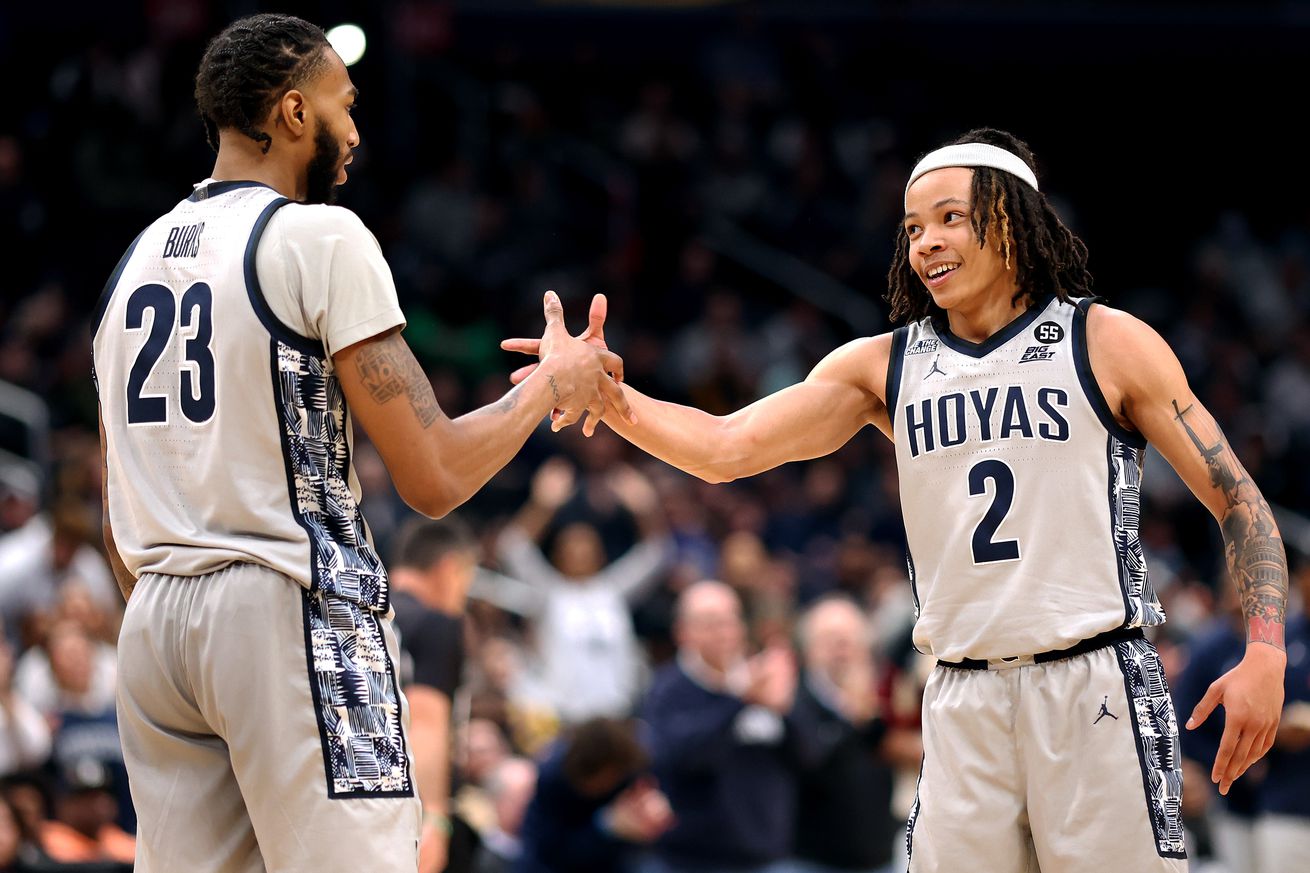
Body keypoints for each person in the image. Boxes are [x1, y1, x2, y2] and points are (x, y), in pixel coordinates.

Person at [505, 128, 1288, 871]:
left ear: (1011, 223)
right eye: (914, 227)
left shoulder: (1105, 340)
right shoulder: (884, 366)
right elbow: (725, 447)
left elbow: (1241, 501)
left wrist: (1266, 646)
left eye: (951, 219)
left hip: (1095, 682)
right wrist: (613, 400)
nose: (926, 243)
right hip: (959, 693)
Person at [91, 13, 629, 873]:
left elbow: (114, 506)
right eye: (346, 104)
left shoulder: (133, 262)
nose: (356, 132)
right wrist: (549, 390)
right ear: (296, 112)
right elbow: (436, 472)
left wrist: (187, 602)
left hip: (154, 623)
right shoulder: (319, 236)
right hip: (285, 605)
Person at [639, 580, 809, 873]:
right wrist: (740, 702)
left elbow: (808, 757)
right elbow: (678, 757)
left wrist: (785, 710)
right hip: (690, 860)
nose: (723, 632)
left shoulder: (764, 677)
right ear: (682, 632)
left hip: (767, 856)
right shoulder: (666, 690)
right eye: (710, 623)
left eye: (730, 620)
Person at [492, 458, 672, 722]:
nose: (580, 554)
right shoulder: (550, 592)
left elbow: (657, 553)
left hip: (619, 713)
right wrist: (542, 505)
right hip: (565, 718)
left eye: (587, 548)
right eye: (571, 548)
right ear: (557, 555)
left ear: (601, 555)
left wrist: (645, 507)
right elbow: (512, 547)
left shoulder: (612, 591)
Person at [391, 516, 480, 873]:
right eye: (465, 580)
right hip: (411, 808)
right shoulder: (436, 623)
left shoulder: (363, 615)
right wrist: (436, 820)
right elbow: (425, 722)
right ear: (448, 568)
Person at [790, 596, 899, 873]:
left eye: (849, 640)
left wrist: (869, 718)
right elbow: (810, 763)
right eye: (830, 640)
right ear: (808, 650)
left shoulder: (884, 700)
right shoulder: (792, 701)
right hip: (811, 860)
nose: (842, 649)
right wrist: (849, 717)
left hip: (880, 858)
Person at [515, 718, 672, 873]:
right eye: (598, 780)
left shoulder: (630, 774)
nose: (604, 786)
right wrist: (606, 825)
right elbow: (551, 852)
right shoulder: (552, 781)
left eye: (610, 778)